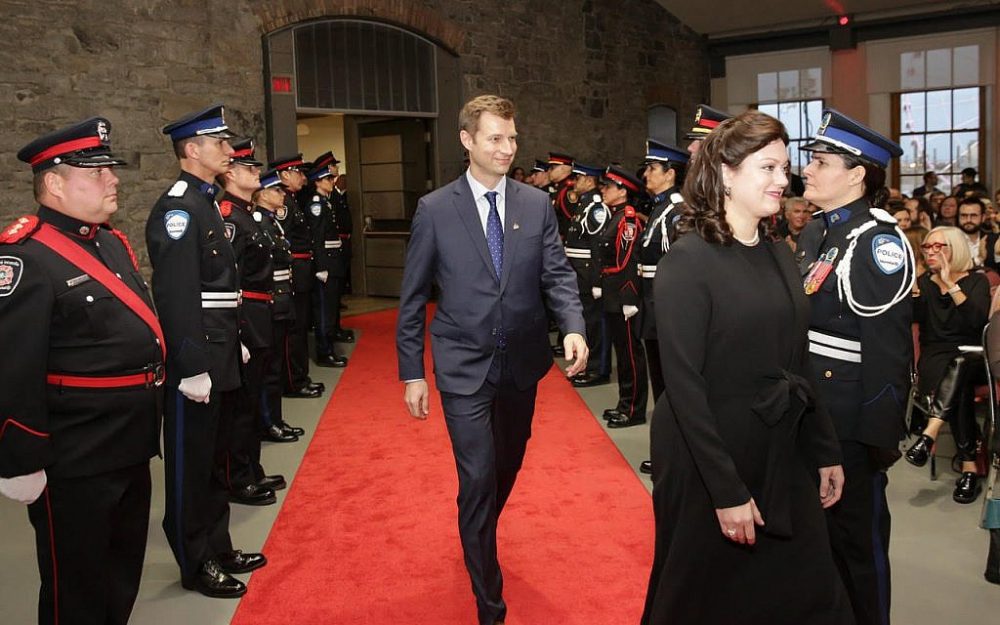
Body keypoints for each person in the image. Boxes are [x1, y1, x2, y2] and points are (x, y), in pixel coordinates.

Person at [641, 110, 850, 625]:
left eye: (785, 168)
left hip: (779, 444)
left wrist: (824, 448)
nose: (784, 181)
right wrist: (726, 490)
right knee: (701, 596)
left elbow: (797, 360)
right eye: (769, 168)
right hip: (706, 456)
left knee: (809, 589)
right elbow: (683, 386)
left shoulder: (780, 253)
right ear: (726, 174)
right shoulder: (686, 263)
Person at [396, 94, 587, 625]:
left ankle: (474, 526)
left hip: (522, 365)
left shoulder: (534, 204)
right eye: (495, 138)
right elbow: (411, 298)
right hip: (462, 367)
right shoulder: (435, 210)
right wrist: (413, 372)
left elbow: (556, 274)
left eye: (512, 138)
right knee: (477, 476)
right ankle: (489, 599)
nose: (507, 148)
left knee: (506, 465)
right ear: (467, 141)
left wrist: (573, 326)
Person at [0, 118, 163, 625]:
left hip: (130, 442)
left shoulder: (111, 243)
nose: (113, 179)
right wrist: (18, 458)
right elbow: (12, 366)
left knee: (121, 571)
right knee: (77, 586)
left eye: (110, 170)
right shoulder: (26, 258)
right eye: (96, 173)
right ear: (54, 183)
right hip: (75, 456)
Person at [797, 109, 915, 625]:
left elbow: (889, 357)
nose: (808, 170)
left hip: (848, 424)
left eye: (820, 162)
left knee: (858, 548)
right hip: (813, 412)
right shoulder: (819, 232)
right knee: (820, 547)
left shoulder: (878, 243)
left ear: (856, 174)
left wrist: (875, 443)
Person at [145, 104, 266, 598]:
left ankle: (218, 544)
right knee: (191, 466)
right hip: (197, 361)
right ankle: (195, 561)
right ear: (192, 151)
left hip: (218, 348)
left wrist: (230, 338)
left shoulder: (205, 202)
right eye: (218, 143)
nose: (227, 150)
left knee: (215, 458)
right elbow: (175, 294)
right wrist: (191, 364)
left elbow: (218, 287)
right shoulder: (178, 208)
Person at [216, 139, 287, 507]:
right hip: (246, 315)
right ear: (230, 174)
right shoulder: (229, 217)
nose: (257, 173)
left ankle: (252, 469)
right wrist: (238, 328)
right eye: (249, 168)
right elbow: (231, 278)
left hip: (262, 313)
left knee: (254, 394)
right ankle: (237, 476)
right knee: (241, 406)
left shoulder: (247, 215)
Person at [904, 226, 990, 503]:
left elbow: (977, 323)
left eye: (938, 247)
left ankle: (930, 433)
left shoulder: (976, 281)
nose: (930, 252)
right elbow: (912, 320)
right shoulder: (925, 283)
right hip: (935, 358)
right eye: (927, 247)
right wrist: (914, 289)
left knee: (962, 365)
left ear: (955, 248)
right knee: (959, 385)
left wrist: (950, 284)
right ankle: (969, 468)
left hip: (974, 354)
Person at [271, 154, 333, 389]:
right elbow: (281, 240)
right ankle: (293, 381)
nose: (303, 177)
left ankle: (300, 377)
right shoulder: (284, 203)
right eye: (298, 172)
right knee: (294, 330)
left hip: (302, 269)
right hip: (294, 270)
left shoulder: (292, 199)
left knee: (300, 325)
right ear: (285, 175)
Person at [636, 140, 688, 415]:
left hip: (665, 307)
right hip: (652, 303)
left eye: (653, 168)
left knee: (669, 386)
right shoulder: (659, 208)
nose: (646, 174)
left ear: (670, 174)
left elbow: (678, 268)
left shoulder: (676, 211)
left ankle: (672, 453)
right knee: (659, 380)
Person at [595, 165, 649, 429]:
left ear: (622, 191)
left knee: (630, 354)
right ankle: (623, 403)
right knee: (622, 352)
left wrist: (629, 297)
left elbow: (629, 261)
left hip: (622, 295)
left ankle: (633, 409)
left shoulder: (627, 219)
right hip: (612, 293)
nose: (603, 190)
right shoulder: (615, 216)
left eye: (608, 187)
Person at [564, 162, 612, 388]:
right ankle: (587, 364)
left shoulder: (596, 208)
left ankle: (598, 369)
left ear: (590, 181)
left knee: (595, 322)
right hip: (578, 271)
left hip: (588, 272)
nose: (575, 182)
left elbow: (597, 246)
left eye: (580, 178)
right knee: (586, 320)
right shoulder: (584, 205)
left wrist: (597, 279)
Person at [304, 157, 350, 367]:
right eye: (328, 178)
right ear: (318, 181)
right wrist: (321, 266)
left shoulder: (325, 202)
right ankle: (325, 352)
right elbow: (317, 237)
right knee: (324, 311)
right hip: (326, 264)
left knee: (330, 308)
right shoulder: (316, 204)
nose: (332, 180)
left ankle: (329, 347)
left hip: (333, 261)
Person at [956, 196, 985, 266]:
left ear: (983, 218)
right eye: (964, 215)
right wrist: (979, 259)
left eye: (974, 215)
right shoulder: (949, 240)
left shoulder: (993, 240)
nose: (968, 220)